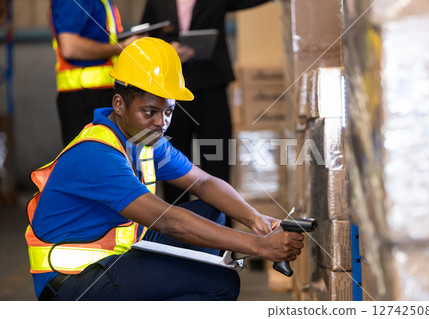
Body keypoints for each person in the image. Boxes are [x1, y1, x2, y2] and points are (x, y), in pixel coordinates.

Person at [25, 37, 304, 301]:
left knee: (212, 211)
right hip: (71, 283)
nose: (162, 122)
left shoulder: (144, 139)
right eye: (150, 112)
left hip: (116, 254)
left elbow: (204, 183)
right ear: (119, 104)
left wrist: (255, 220)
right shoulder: (96, 154)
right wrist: (259, 246)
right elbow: (168, 220)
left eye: (168, 111)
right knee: (221, 283)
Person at [141, 0, 272, 204]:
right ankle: (177, 224)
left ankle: (222, 225)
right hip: (171, 87)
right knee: (171, 160)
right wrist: (167, 51)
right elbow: (146, 37)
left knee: (217, 158)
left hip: (212, 85)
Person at [50, 0, 141, 146]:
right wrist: (121, 47)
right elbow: (70, 47)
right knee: (86, 160)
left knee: (107, 157)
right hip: (83, 98)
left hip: (99, 94)